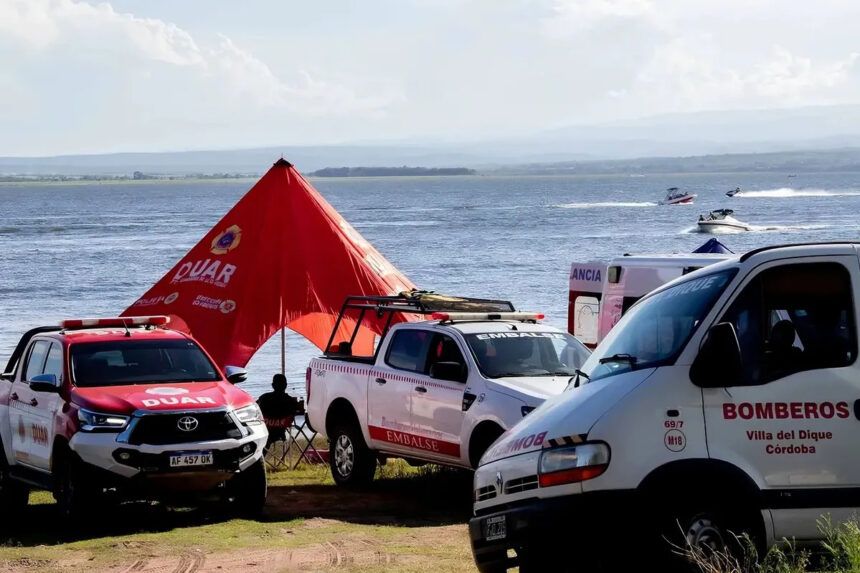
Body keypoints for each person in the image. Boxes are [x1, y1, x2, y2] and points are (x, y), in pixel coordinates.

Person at [257, 374, 301, 448]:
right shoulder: (290, 400)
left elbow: (255, 409)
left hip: (265, 430)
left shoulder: (264, 398)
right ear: (285, 385)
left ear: (273, 385)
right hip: (281, 430)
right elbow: (297, 410)